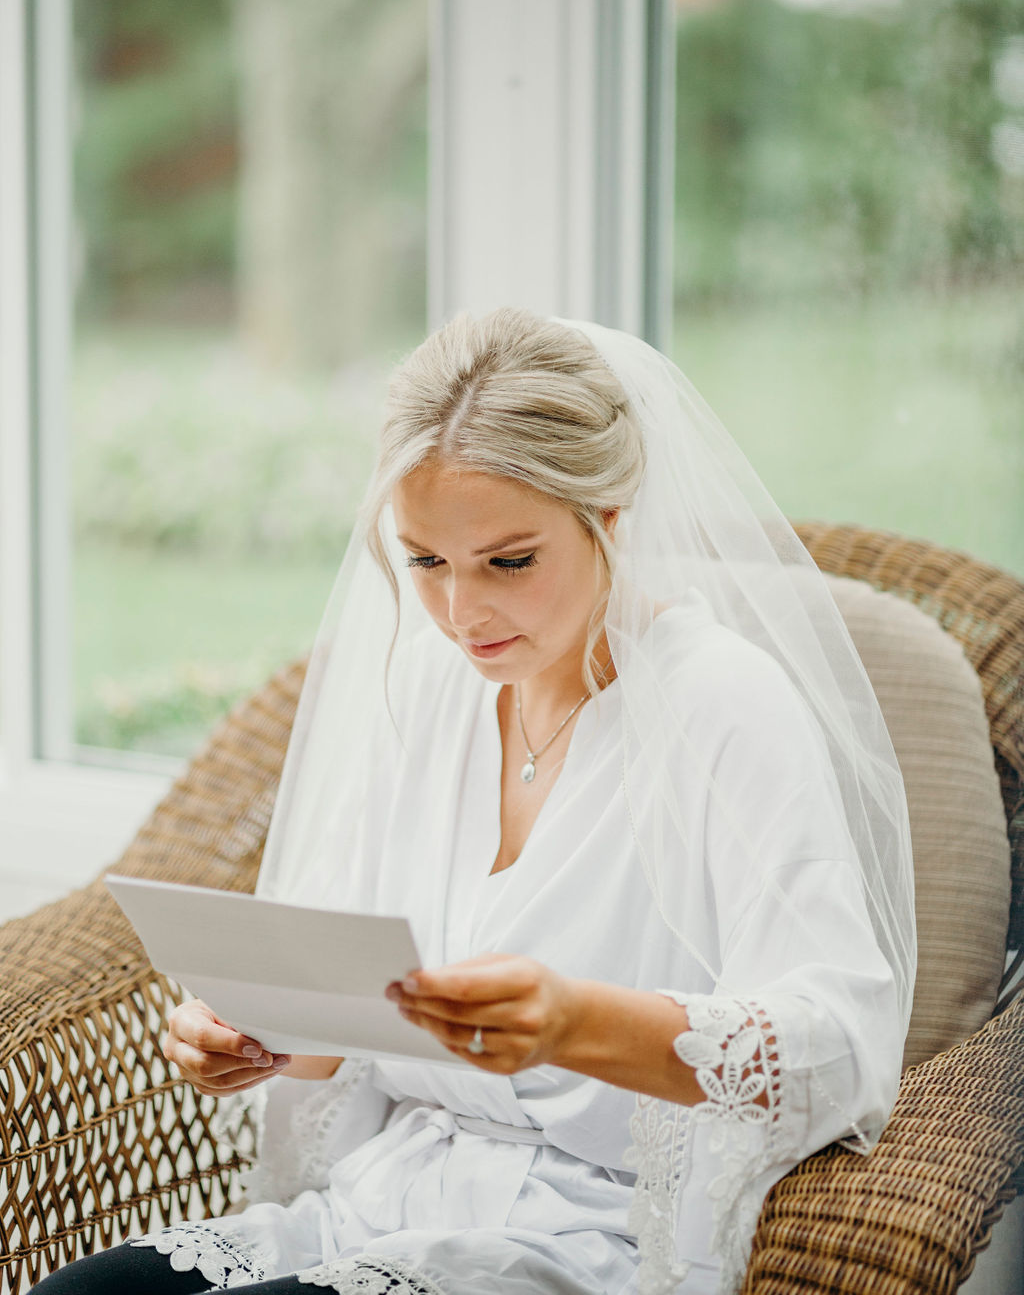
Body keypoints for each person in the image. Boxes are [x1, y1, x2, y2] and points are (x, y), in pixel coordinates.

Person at [32, 309, 915, 1295]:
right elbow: (357, 1009)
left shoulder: (723, 707)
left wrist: (577, 1021)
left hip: (593, 1236)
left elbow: (836, 1047)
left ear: (613, 515)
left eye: (508, 561)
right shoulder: (424, 686)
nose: (462, 614)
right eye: (424, 562)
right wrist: (257, 1035)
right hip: (386, 1198)